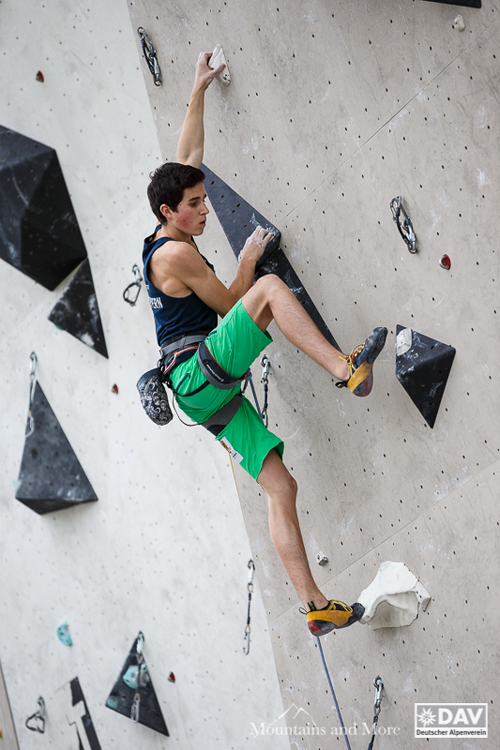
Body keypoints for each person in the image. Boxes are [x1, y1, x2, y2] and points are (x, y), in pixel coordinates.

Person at [142, 52, 387, 636]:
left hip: (199, 393)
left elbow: (187, 155)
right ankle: (344, 368)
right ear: (168, 213)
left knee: (281, 485)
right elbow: (232, 305)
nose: (205, 211)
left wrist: (198, 86)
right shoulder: (174, 252)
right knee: (270, 289)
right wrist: (249, 257)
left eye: (203, 201)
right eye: (196, 205)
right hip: (198, 370)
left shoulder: (165, 226)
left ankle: (315, 606)